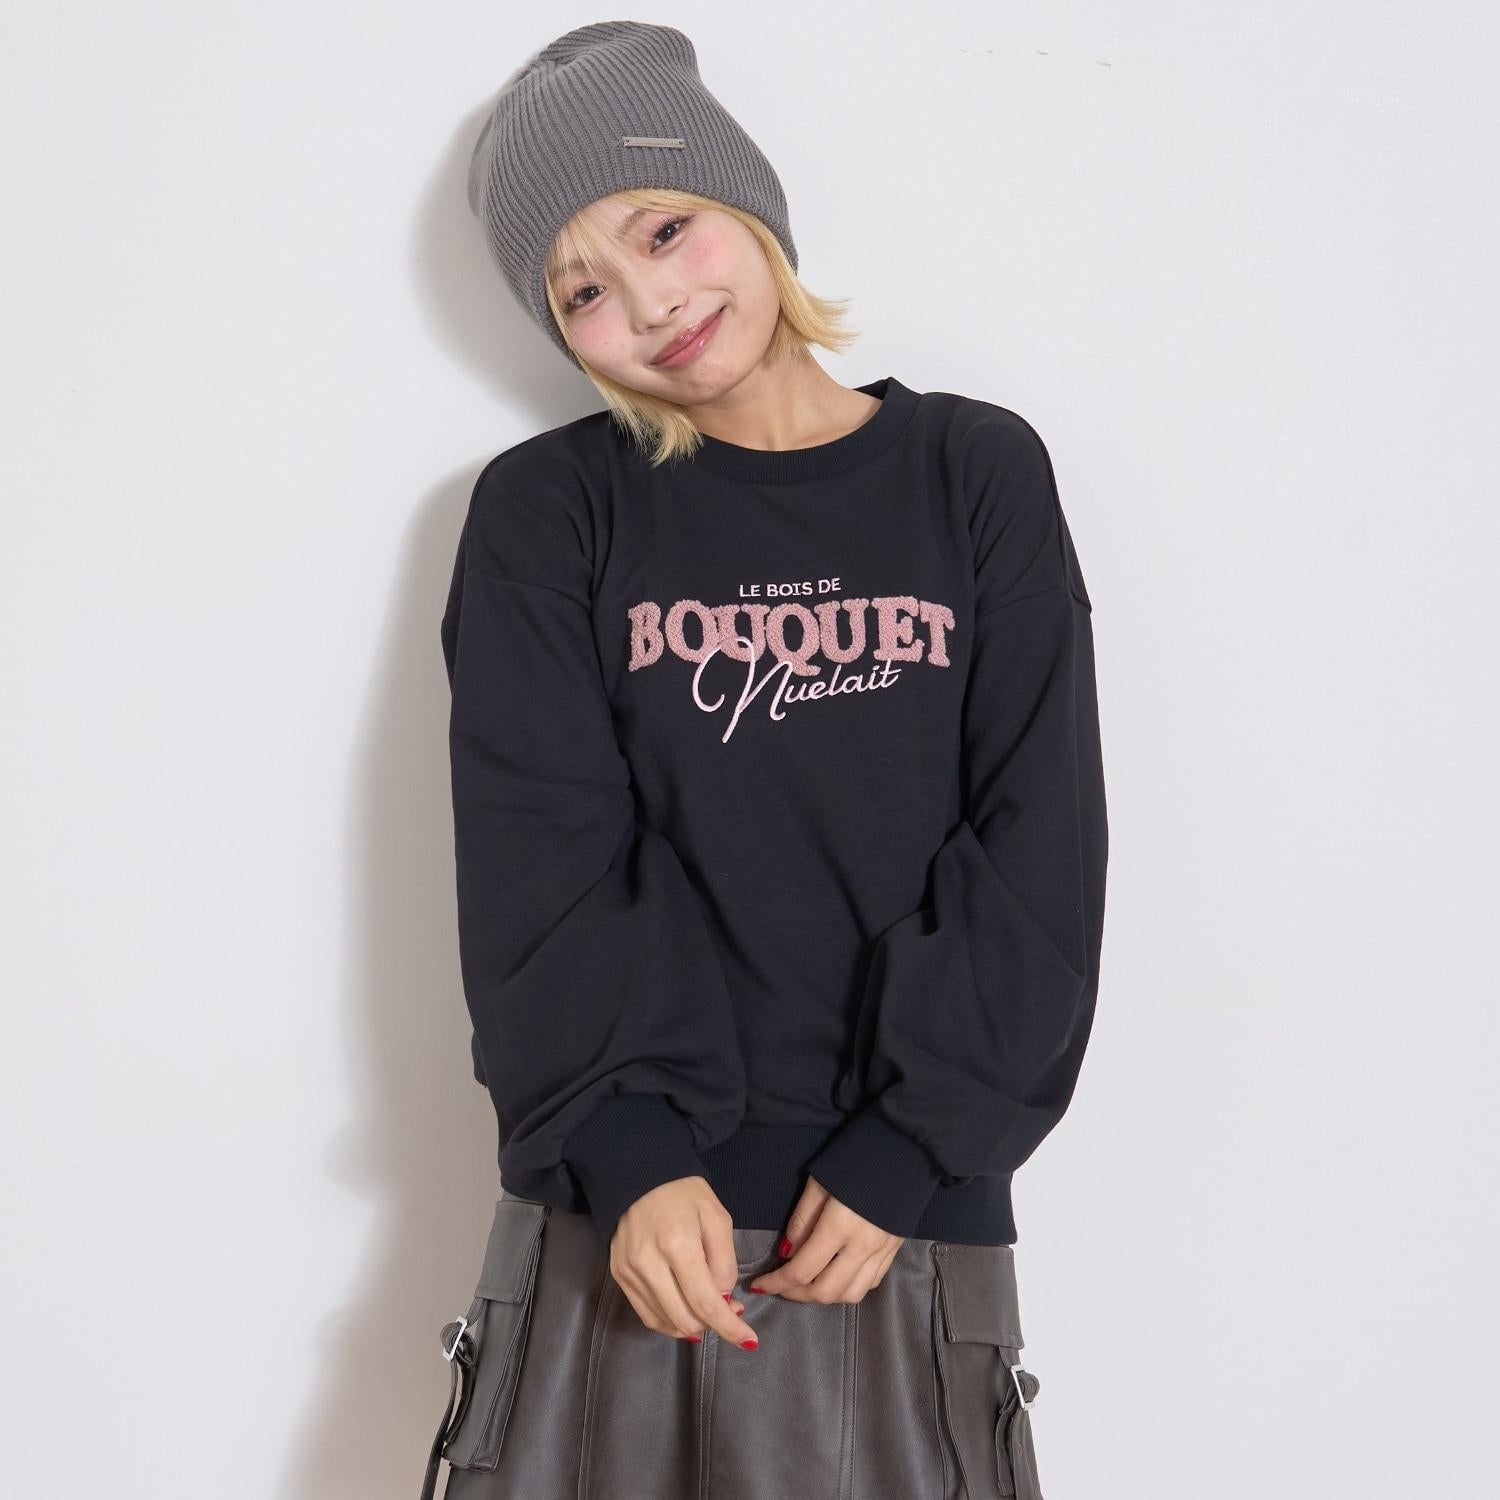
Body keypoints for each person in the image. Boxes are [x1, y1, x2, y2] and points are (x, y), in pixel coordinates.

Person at [423, 21, 1106, 1500]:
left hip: (899, 1228)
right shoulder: (549, 513)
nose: (650, 302)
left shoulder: (973, 474)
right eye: (581, 290)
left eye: (665, 227)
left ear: (750, 205)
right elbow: (536, 851)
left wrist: (912, 1144)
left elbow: (1039, 842)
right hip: (625, 1235)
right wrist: (630, 1150)